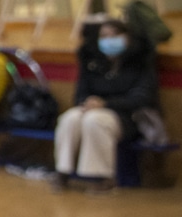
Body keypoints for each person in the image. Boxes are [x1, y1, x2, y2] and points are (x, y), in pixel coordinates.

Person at [52, 19, 159, 193]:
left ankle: (102, 177)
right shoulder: (91, 61)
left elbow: (142, 98)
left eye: (114, 35)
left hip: (128, 117)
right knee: (70, 118)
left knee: (95, 120)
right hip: (91, 109)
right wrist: (88, 102)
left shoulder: (140, 63)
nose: (109, 40)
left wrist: (106, 104)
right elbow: (80, 94)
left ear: (127, 37)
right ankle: (62, 171)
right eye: (104, 36)